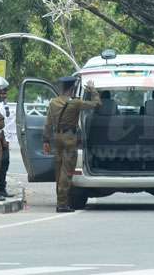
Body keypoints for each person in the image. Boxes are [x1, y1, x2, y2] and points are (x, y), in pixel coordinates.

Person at [43, 76, 101, 213]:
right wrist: (93, 89)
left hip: (56, 137)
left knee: (58, 170)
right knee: (66, 171)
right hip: (69, 138)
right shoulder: (75, 103)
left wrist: (45, 140)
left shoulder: (53, 102)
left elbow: (48, 123)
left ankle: (61, 200)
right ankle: (62, 204)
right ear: (72, 88)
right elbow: (97, 104)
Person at [0, 86, 14, 197]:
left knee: (5, 164)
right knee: (1, 164)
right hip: (0, 139)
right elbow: (0, 125)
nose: (4, 95)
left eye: (5, 93)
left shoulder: (4, 105)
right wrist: (4, 140)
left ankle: (2, 188)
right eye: (2, 93)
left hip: (6, 139)